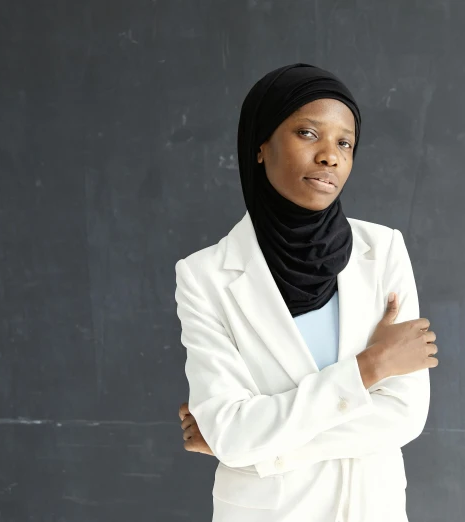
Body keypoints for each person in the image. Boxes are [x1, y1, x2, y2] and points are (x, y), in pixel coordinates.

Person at [173, 63, 439, 522]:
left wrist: (258, 450)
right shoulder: (205, 276)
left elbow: (404, 414)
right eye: (308, 134)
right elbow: (231, 431)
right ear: (260, 146)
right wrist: (370, 367)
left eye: (344, 143)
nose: (330, 157)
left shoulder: (384, 250)